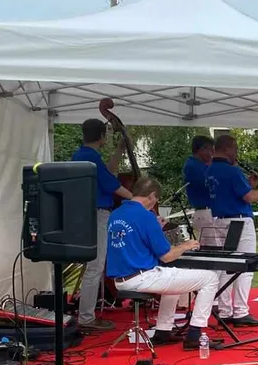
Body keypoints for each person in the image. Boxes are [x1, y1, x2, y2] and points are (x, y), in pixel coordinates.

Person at [106, 178, 223, 349]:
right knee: (210, 278)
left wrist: (156, 229)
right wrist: (185, 245)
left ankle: (163, 331)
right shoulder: (145, 216)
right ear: (152, 196)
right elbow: (167, 256)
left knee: (173, 282)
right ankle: (195, 335)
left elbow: (135, 241)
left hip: (121, 280)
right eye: (156, 200)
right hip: (142, 277)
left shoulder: (115, 214)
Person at [73, 118, 134, 332]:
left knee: (94, 266)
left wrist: (119, 150)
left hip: (87, 214)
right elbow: (112, 185)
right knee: (96, 267)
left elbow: (107, 172)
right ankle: (86, 317)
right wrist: (137, 200)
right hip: (98, 213)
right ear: (102, 136)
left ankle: (86, 314)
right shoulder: (90, 157)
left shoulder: (81, 155)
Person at [206, 134, 258, 326]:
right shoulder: (232, 171)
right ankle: (241, 312)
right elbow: (249, 198)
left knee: (227, 266)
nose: (236, 154)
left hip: (219, 220)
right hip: (239, 222)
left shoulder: (210, 171)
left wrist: (247, 185)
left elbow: (230, 193)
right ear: (227, 149)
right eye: (235, 149)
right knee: (245, 267)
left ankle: (225, 311)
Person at [182, 135, 217, 246]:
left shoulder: (200, 165)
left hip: (209, 212)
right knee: (214, 250)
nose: (212, 153)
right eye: (211, 150)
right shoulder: (193, 166)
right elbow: (210, 183)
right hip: (205, 212)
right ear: (202, 149)